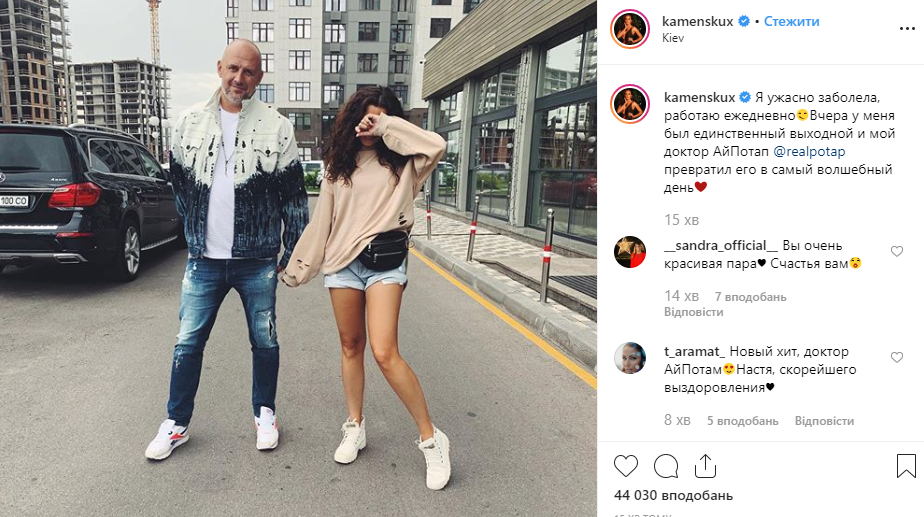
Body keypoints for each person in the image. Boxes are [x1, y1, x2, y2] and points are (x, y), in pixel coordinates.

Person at [144, 39, 309, 460]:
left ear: (259, 77)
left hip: (257, 260)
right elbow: (180, 186)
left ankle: (265, 413)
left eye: (249, 71)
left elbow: (294, 197)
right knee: (187, 342)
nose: (239, 78)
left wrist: (291, 251)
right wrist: (194, 233)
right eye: (233, 68)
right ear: (220, 68)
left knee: (265, 340)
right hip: (204, 260)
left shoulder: (278, 127)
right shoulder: (188, 122)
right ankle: (176, 423)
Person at [280, 86, 451, 490]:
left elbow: (437, 145)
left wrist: (386, 125)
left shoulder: (406, 162)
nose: (370, 125)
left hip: (385, 263)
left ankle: (432, 439)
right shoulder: (337, 164)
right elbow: (323, 220)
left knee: (385, 352)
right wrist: (298, 266)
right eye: (366, 117)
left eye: (379, 118)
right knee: (350, 346)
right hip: (342, 265)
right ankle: (355, 426)